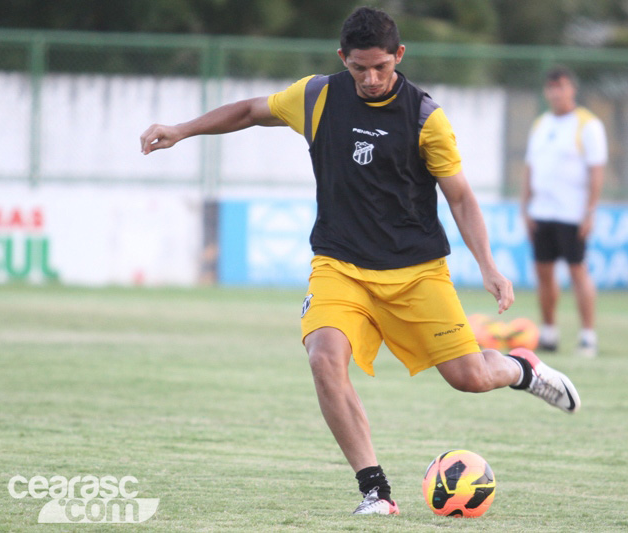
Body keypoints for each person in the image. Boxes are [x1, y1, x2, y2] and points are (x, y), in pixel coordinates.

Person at [141, 7, 580, 516]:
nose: (371, 79)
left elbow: (460, 197)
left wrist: (488, 266)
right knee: (324, 357)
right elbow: (249, 110)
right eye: (359, 68)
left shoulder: (425, 117)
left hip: (416, 272)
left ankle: (522, 369)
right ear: (342, 59)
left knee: (471, 377)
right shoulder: (317, 96)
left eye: (380, 67)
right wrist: (181, 129)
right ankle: (375, 492)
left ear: (399, 56)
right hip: (340, 265)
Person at [520, 66, 608, 358]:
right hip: (542, 211)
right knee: (543, 272)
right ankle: (549, 332)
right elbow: (530, 168)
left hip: (572, 213)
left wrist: (590, 211)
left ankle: (587, 336)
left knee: (577, 270)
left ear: (572, 89)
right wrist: (525, 207)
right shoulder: (541, 124)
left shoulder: (587, 125)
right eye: (551, 87)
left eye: (561, 86)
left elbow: (597, 171)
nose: (556, 92)